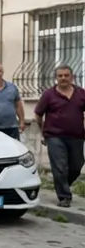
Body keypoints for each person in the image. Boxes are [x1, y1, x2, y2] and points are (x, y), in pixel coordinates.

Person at [34, 65, 85, 207]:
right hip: (54, 136)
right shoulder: (49, 95)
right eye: (60, 76)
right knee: (60, 167)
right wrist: (43, 131)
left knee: (77, 166)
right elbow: (38, 114)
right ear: (56, 78)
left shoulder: (81, 93)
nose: (63, 78)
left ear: (72, 77)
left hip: (77, 136)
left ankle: (62, 184)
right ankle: (64, 196)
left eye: (66, 75)